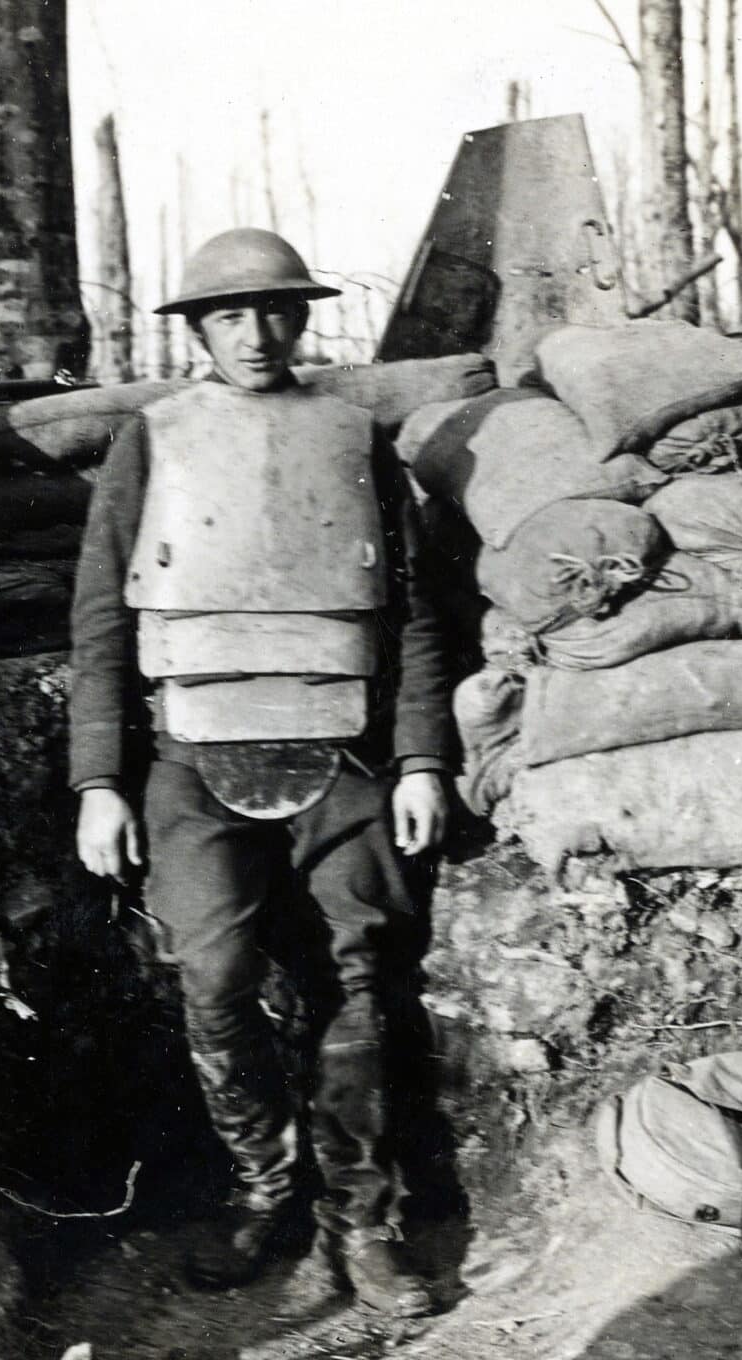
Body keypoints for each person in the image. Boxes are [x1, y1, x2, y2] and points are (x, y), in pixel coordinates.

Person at [68, 228, 453, 1317]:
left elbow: (414, 613)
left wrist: (420, 759)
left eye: (275, 310)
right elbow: (100, 619)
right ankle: (261, 1188)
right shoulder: (153, 442)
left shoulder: (355, 437)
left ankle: (362, 1222)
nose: (255, 333)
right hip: (191, 752)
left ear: (302, 318)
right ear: (197, 328)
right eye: (229, 314)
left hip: (339, 751)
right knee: (214, 974)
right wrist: (99, 780)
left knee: (361, 977)